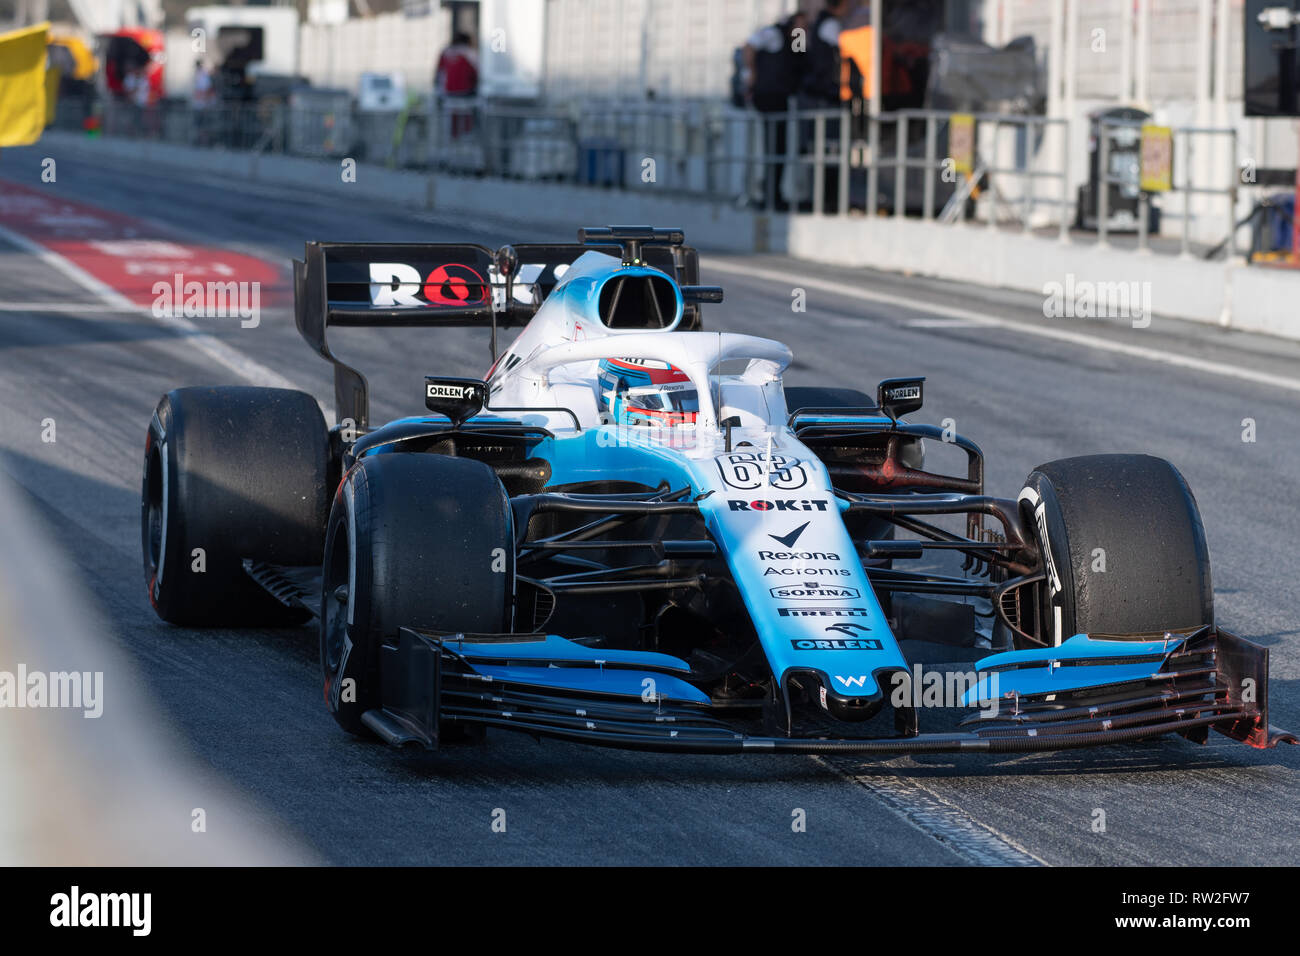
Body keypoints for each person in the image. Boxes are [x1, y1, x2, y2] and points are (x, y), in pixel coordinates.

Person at [743, 12, 807, 210]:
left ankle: (774, 193)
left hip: (779, 98)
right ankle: (770, 195)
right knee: (774, 147)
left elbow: (800, 60)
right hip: (769, 97)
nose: (802, 31)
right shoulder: (773, 34)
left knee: (779, 148)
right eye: (800, 26)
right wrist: (751, 74)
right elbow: (749, 47)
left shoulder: (794, 40)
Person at [436, 31, 479, 137]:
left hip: (447, 93)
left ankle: (452, 137)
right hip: (466, 93)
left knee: (451, 121)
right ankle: (466, 136)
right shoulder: (470, 53)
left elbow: (439, 73)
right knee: (466, 119)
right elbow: (476, 74)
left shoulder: (445, 53)